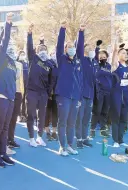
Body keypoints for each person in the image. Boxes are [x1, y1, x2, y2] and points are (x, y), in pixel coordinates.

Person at [0, 12, 16, 168]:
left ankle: (3, 153)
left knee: (5, 128)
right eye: (9, 45)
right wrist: (8, 24)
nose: (10, 47)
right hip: (0, 96)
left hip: (11, 97)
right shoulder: (0, 56)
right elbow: (4, 41)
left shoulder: (13, 61)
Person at [55, 21, 83, 156]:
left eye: (73, 47)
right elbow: (59, 45)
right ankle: (62, 146)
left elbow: (80, 81)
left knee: (72, 123)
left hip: (74, 97)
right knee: (63, 122)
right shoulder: (61, 59)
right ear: (66, 50)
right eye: (69, 47)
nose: (72, 48)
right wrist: (62, 29)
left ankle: (71, 145)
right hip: (63, 95)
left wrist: (81, 32)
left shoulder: (77, 61)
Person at [26, 24, 54, 147]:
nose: (42, 51)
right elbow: (29, 47)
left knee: (42, 116)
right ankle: (31, 138)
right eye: (40, 49)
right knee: (31, 114)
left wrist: (48, 92)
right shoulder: (33, 59)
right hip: (32, 91)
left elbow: (51, 79)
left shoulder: (49, 63)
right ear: (36, 52)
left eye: (44, 50)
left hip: (43, 93)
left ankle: (39, 137)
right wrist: (30, 34)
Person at [109, 31, 128, 147]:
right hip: (116, 95)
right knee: (116, 117)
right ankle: (115, 141)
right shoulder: (116, 65)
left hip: (126, 95)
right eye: (122, 53)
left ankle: (121, 139)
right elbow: (113, 52)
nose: (125, 54)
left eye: (126, 53)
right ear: (118, 55)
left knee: (124, 118)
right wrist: (116, 39)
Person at [76, 28, 96, 149]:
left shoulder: (93, 62)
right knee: (80, 118)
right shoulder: (82, 60)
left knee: (87, 119)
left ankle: (85, 138)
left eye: (92, 49)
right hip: (81, 94)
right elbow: (79, 47)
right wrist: (82, 32)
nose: (91, 51)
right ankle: (78, 139)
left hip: (90, 95)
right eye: (88, 49)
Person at [89, 41, 112, 138]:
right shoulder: (96, 65)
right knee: (96, 112)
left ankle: (103, 129)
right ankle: (92, 130)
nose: (102, 57)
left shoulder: (109, 66)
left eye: (104, 55)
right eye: (100, 55)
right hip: (99, 92)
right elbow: (95, 57)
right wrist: (97, 47)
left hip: (108, 92)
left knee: (104, 112)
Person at [8, 50, 25, 149]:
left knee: (14, 118)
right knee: (7, 118)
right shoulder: (5, 63)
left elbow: (20, 79)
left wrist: (22, 92)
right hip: (8, 92)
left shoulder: (19, 64)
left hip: (18, 92)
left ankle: (11, 139)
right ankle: (5, 140)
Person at [44, 50, 59, 141]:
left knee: (55, 113)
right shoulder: (48, 64)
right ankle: (47, 130)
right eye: (53, 53)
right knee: (47, 112)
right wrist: (48, 90)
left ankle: (54, 131)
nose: (55, 55)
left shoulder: (60, 65)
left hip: (57, 93)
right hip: (48, 92)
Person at [18, 50, 29, 123]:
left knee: (25, 101)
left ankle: (24, 115)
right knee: (19, 101)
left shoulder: (26, 64)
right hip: (19, 85)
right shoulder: (17, 63)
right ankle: (19, 116)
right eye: (21, 54)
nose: (22, 55)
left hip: (26, 85)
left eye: (23, 54)